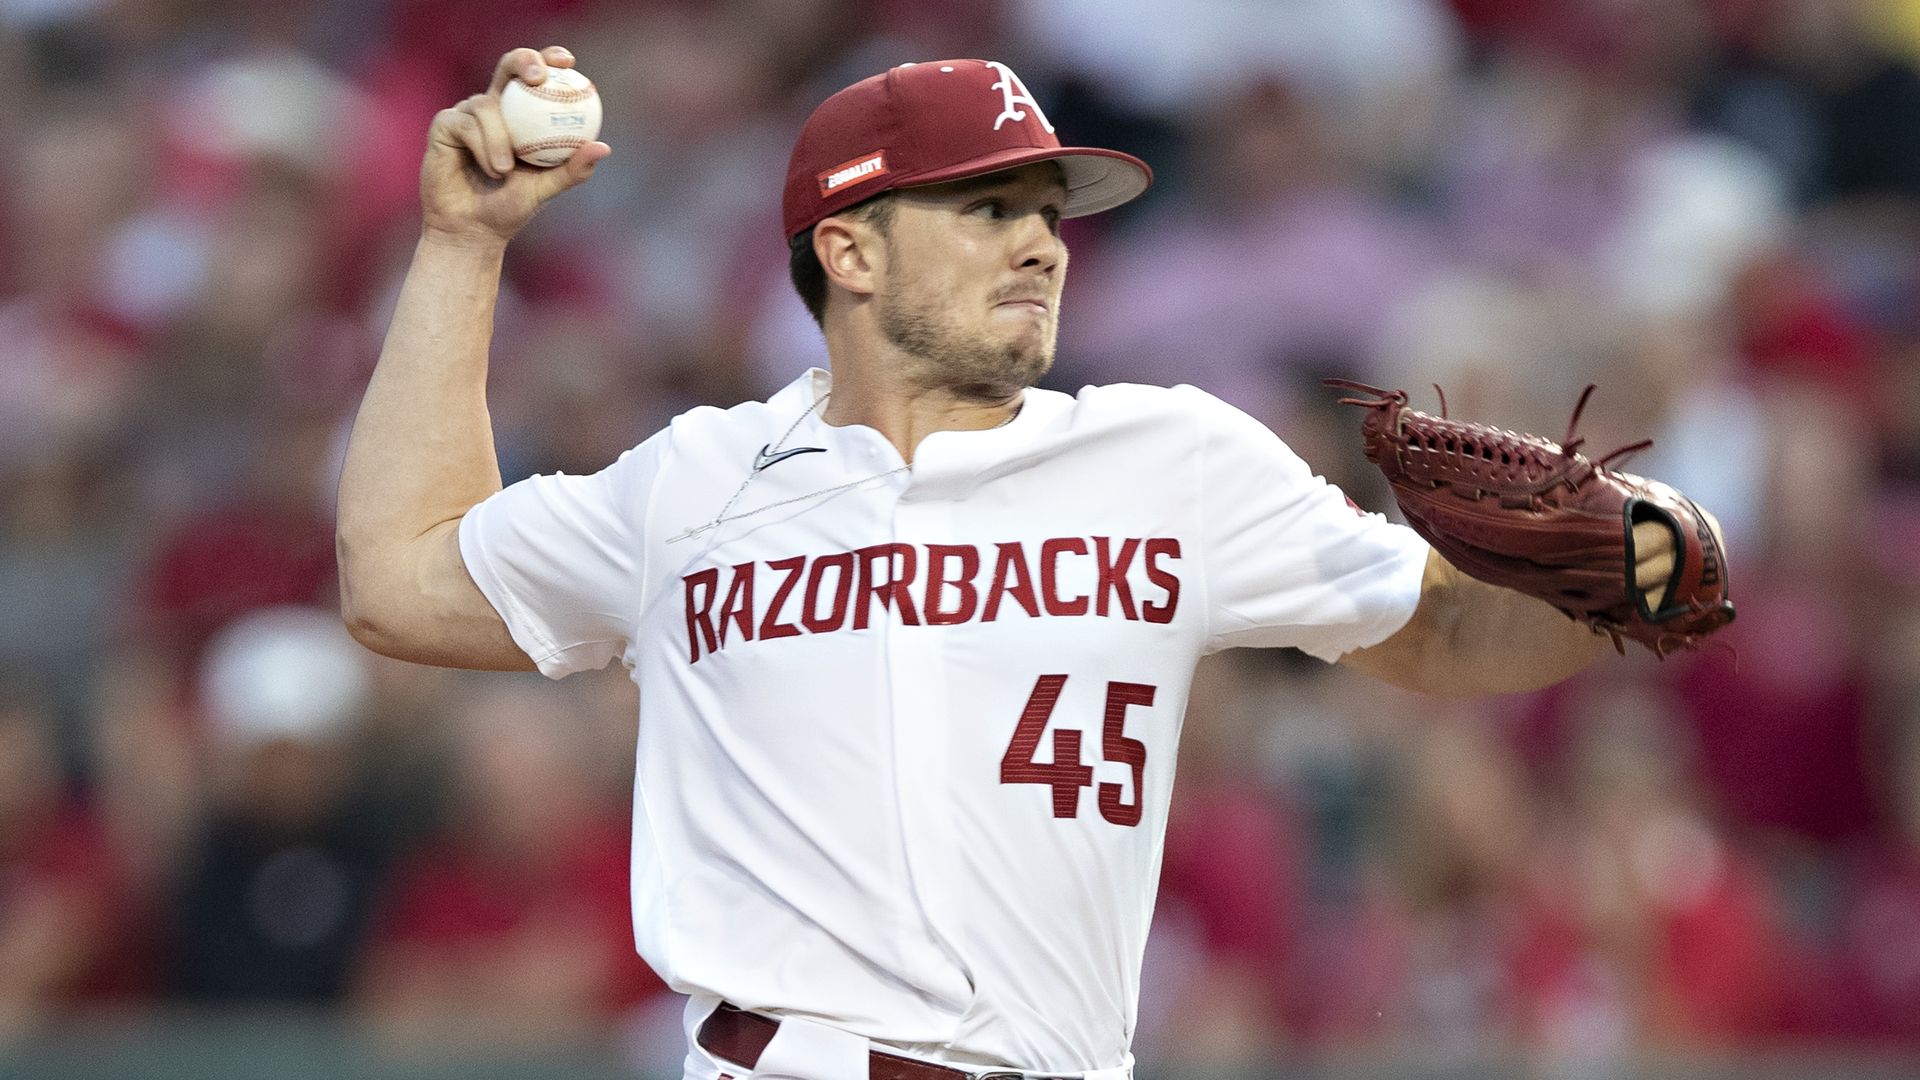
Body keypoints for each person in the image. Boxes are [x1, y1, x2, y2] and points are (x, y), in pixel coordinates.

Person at [337, 46, 1686, 1080]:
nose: (1041, 238)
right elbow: (398, 580)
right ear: (849, 250)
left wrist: (1630, 579)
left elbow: (1444, 631)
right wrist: (465, 244)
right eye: (986, 208)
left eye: (1047, 209)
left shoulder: (1173, 458)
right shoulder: (692, 484)